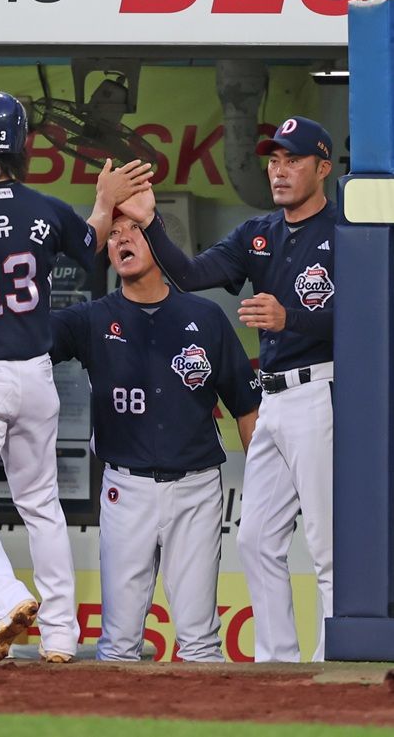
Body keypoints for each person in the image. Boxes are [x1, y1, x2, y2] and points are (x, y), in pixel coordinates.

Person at [0, 90, 153, 666]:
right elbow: (91, 244)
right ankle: (60, 635)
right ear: (20, 148)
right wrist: (103, 201)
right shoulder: (44, 209)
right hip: (36, 375)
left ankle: (4, 600)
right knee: (41, 503)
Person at [120, 116, 335, 662]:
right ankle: (278, 663)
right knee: (255, 539)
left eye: (293, 160)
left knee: (329, 545)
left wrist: (292, 319)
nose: (279, 171)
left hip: (322, 390)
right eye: (274, 160)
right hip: (274, 400)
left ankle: (335, 664)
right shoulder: (258, 232)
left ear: (323, 168)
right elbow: (190, 275)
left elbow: (372, 318)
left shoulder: (346, 231)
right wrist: (149, 224)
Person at [50, 210, 260, 661]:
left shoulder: (205, 317)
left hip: (197, 487)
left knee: (200, 641)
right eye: (114, 233)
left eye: (136, 230)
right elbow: (32, 339)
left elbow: (246, 406)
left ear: (159, 241)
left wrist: (261, 489)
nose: (123, 238)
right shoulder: (91, 319)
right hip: (125, 489)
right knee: (119, 642)